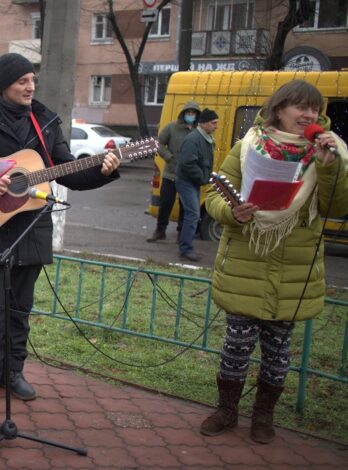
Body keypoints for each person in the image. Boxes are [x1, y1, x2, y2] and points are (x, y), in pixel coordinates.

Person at [0, 53, 121, 404]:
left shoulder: (46, 121)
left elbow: (66, 168)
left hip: (31, 225)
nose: (31, 87)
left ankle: (14, 372)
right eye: (23, 81)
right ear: (3, 84)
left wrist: (103, 170)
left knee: (20, 307)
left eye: (32, 80)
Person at [200, 80, 348, 444]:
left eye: (315, 108)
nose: (310, 114)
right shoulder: (248, 144)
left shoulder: (327, 153)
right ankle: (227, 410)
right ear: (279, 109)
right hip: (245, 262)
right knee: (236, 345)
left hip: (294, 269)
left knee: (279, 350)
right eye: (301, 106)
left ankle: (263, 417)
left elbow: (339, 208)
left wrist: (330, 167)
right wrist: (234, 212)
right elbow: (212, 195)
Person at [147, 101, 200, 242]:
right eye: (188, 113)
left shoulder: (198, 132)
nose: (191, 115)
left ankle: (181, 234)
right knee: (165, 203)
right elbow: (158, 143)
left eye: (193, 113)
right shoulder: (172, 128)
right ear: (183, 114)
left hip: (188, 176)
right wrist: (168, 157)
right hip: (170, 174)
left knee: (185, 206)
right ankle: (160, 231)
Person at [174, 108, 219, 262]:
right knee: (193, 215)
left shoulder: (205, 138)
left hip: (191, 182)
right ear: (204, 123)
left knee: (191, 215)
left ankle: (185, 247)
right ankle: (185, 249)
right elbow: (187, 164)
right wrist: (202, 178)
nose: (216, 126)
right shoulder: (194, 139)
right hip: (186, 181)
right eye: (214, 123)